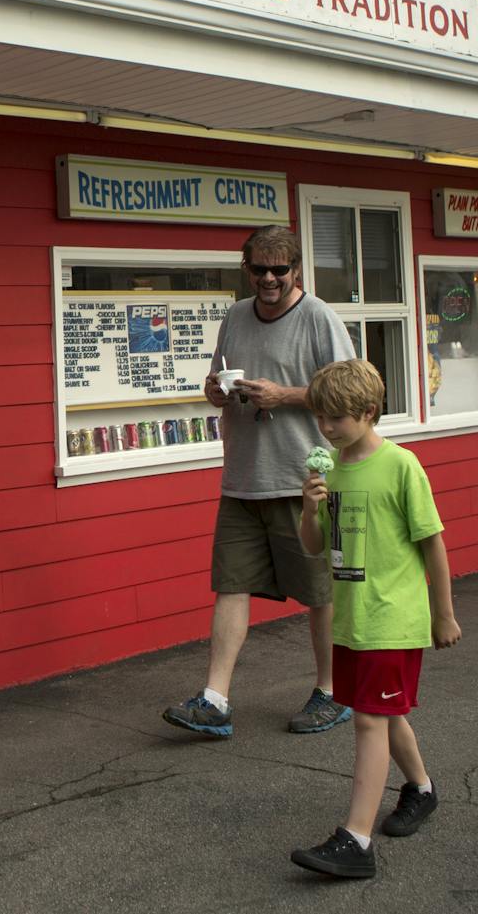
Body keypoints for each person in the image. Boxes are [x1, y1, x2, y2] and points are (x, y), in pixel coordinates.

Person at [162, 224, 356, 741]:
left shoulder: (318, 318)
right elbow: (216, 379)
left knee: (320, 593)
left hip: (303, 479)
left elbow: (352, 395)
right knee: (230, 585)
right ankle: (215, 700)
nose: (269, 279)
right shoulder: (234, 316)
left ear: (296, 270)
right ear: (245, 268)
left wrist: (285, 396)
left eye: (279, 269)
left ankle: (332, 693)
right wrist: (216, 392)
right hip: (242, 477)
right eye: (258, 269)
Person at [289, 358, 461, 881]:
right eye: (320, 418)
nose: (326, 428)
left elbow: (433, 544)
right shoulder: (331, 471)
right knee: (384, 714)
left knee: (368, 719)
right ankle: (422, 790)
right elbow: (316, 549)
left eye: (336, 419)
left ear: (367, 412)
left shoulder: (402, 465)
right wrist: (309, 506)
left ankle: (355, 839)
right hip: (353, 619)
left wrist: (443, 614)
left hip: (394, 616)